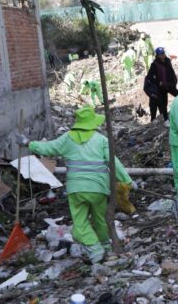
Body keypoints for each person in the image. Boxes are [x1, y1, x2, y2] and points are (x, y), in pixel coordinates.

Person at [30, 107, 132, 264]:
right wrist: (127, 181)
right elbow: (114, 163)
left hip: (76, 190)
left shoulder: (67, 138)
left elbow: (48, 149)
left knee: (80, 225)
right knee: (100, 220)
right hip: (99, 188)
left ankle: (96, 249)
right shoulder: (101, 140)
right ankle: (105, 247)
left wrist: (28, 144)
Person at [143, 47, 178, 123]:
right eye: (160, 54)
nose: (162, 55)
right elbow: (149, 76)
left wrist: (174, 80)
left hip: (170, 85)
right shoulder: (154, 64)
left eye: (163, 53)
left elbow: (171, 71)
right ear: (157, 55)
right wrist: (158, 82)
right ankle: (166, 119)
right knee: (164, 103)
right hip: (162, 87)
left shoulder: (167, 60)